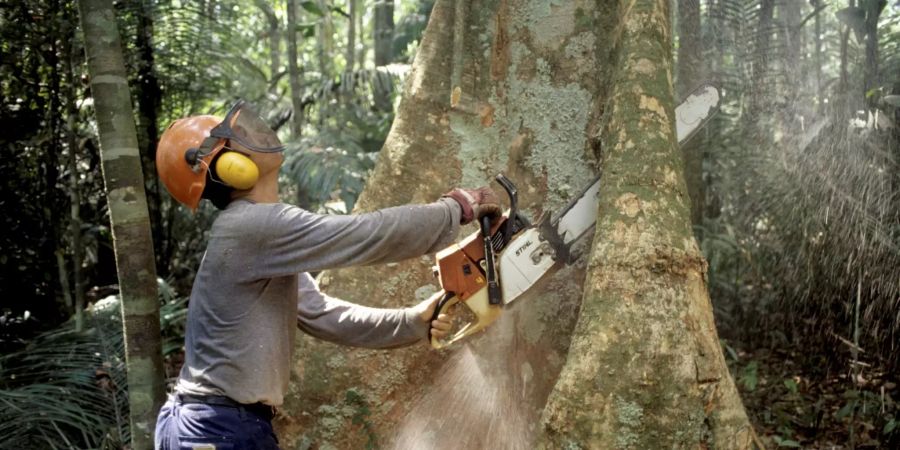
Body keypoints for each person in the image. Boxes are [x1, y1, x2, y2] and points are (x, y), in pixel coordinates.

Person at [152, 100, 500, 449]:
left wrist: (411, 322)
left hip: (214, 424)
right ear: (229, 168)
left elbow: (321, 313)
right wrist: (455, 209)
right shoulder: (249, 227)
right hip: (217, 427)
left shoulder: (258, 239)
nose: (249, 133)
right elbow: (364, 235)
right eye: (236, 138)